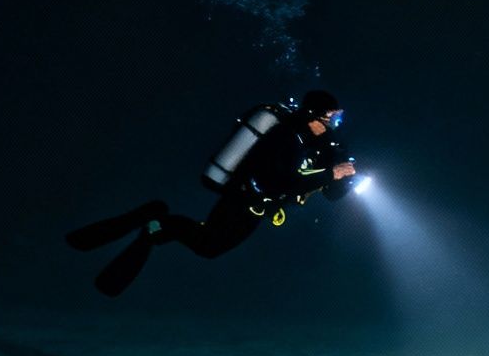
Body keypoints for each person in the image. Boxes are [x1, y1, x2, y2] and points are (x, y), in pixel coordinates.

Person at [67, 89, 360, 296]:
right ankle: (155, 223)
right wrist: (329, 173)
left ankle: (157, 222)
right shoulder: (285, 137)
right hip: (242, 201)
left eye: (338, 119)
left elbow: (326, 192)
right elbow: (277, 182)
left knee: (209, 246)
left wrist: (339, 179)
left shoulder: (309, 142)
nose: (335, 125)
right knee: (208, 246)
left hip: (254, 207)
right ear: (312, 116)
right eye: (331, 118)